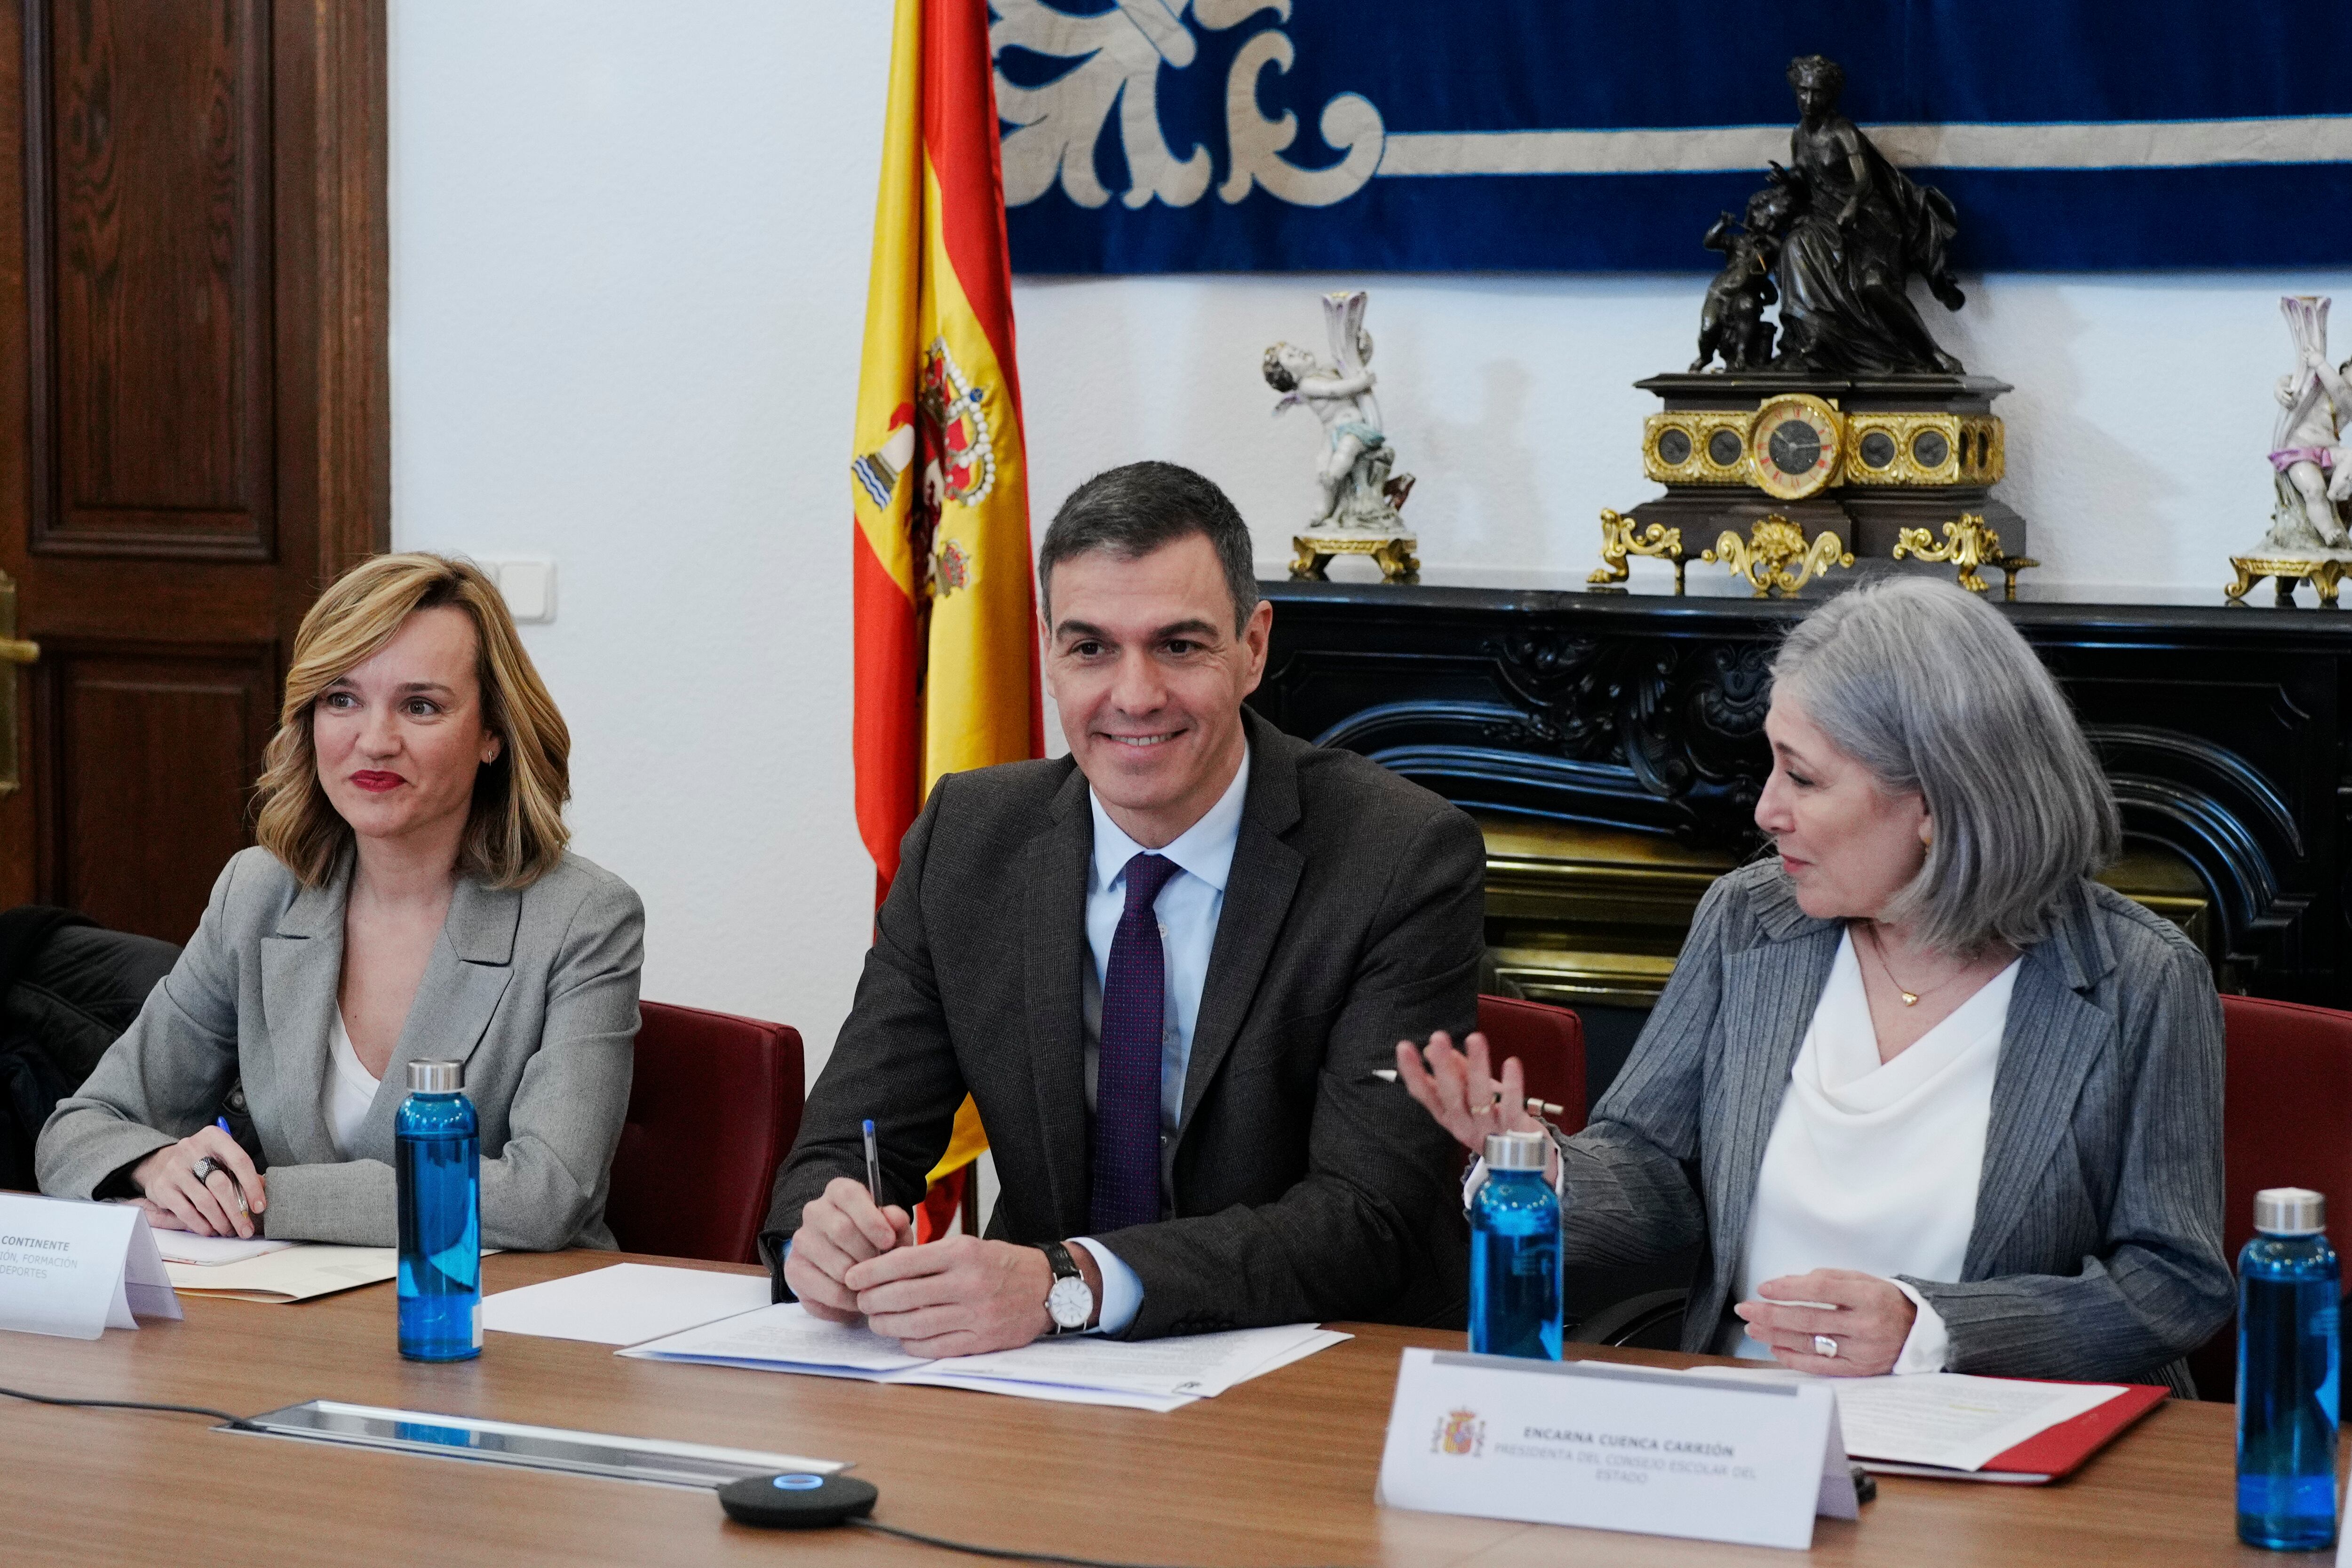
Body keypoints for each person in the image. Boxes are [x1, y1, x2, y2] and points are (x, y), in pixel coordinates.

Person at [1398, 576, 2230, 1391]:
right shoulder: (1748, 921)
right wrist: (1546, 1171)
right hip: (1751, 1431)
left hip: (2004, 1461)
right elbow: (1656, 1171)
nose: (1765, 810)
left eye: (1802, 777)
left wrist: (1927, 1328)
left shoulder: (2139, 978)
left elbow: (2176, 1283)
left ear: (1937, 800)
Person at [766, 460, 1482, 1353]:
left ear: (1254, 646)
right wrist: (821, 1234)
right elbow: (845, 1139)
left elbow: (1370, 1216)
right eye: (1091, 647)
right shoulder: (968, 837)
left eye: (1179, 646)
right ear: (1048, 654)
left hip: (1306, 1368)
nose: (1135, 695)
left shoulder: (1399, 855)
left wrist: (1074, 1281)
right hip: (1036, 1378)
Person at [38, 554, 644, 1251]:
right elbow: (80, 1127)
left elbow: (546, 1196)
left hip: (497, 1323)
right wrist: (154, 1164)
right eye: (342, 699)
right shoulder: (257, 893)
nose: (375, 741)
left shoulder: (583, 916)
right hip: (295, 1323)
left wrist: (252, 1197)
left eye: (421, 705)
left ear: (492, 734)